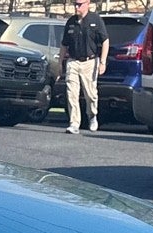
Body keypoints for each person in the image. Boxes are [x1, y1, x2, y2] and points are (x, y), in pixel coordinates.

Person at [60, 0, 108, 134]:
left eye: (79, 4)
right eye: (75, 4)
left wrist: (103, 62)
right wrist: (60, 64)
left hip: (90, 62)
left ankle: (92, 115)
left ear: (87, 4)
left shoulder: (95, 19)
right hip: (73, 61)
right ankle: (74, 123)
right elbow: (64, 44)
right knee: (72, 93)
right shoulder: (71, 22)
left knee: (91, 94)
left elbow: (105, 41)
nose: (76, 7)